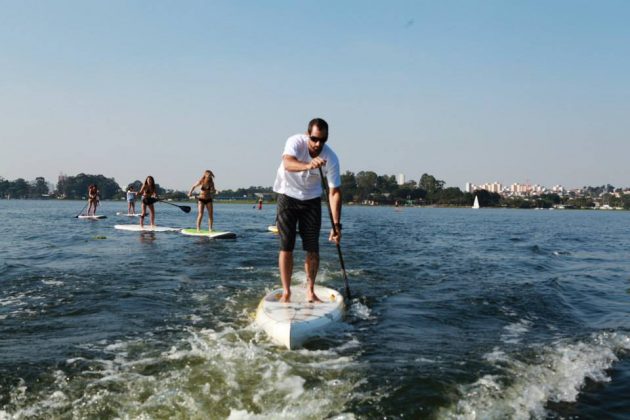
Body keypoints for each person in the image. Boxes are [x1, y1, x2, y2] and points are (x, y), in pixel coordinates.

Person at [272, 118, 342, 303]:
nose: (318, 144)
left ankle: (310, 291)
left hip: (311, 201)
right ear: (307, 134)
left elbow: (334, 192)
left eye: (323, 140)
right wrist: (308, 165)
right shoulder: (295, 142)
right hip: (287, 196)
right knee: (286, 245)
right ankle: (287, 292)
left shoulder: (331, 158)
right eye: (314, 139)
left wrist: (336, 225)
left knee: (312, 248)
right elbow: (288, 163)